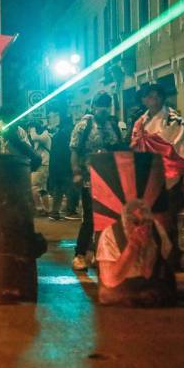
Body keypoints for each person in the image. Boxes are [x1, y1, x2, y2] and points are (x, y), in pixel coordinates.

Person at [130, 83, 184, 270]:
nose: (152, 100)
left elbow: (179, 149)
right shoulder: (140, 121)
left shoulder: (173, 119)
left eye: (156, 96)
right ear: (143, 100)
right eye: (148, 97)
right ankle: (155, 257)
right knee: (150, 219)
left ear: (162, 98)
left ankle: (171, 258)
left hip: (169, 176)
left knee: (168, 220)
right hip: (147, 177)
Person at [70, 92, 123, 271]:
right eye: (100, 104)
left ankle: (101, 252)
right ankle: (80, 254)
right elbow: (75, 151)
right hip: (88, 180)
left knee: (108, 218)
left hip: (110, 180)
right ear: (93, 106)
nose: (104, 108)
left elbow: (120, 149)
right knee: (90, 219)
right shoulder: (83, 126)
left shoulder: (114, 125)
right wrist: (76, 172)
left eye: (107, 105)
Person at [96, 199, 177, 306]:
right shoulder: (111, 234)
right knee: (108, 295)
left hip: (150, 285)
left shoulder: (156, 230)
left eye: (146, 222)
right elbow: (110, 280)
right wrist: (133, 246)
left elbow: (161, 263)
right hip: (121, 288)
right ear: (126, 222)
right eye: (135, 223)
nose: (142, 228)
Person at [48, 109, 78, 221]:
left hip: (57, 168)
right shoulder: (65, 136)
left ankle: (55, 212)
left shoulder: (57, 136)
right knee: (71, 189)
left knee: (58, 191)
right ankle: (70, 211)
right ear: (67, 125)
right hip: (64, 168)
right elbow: (64, 154)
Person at [28, 120, 52, 216]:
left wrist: (32, 127)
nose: (29, 131)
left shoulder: (45, 136)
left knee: (34, 187)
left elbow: (34, 137)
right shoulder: (41, 137)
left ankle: (40, 208)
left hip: (43, 164)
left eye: (30, 129)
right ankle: (47, 209)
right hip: (41, 164)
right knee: (42, 189)